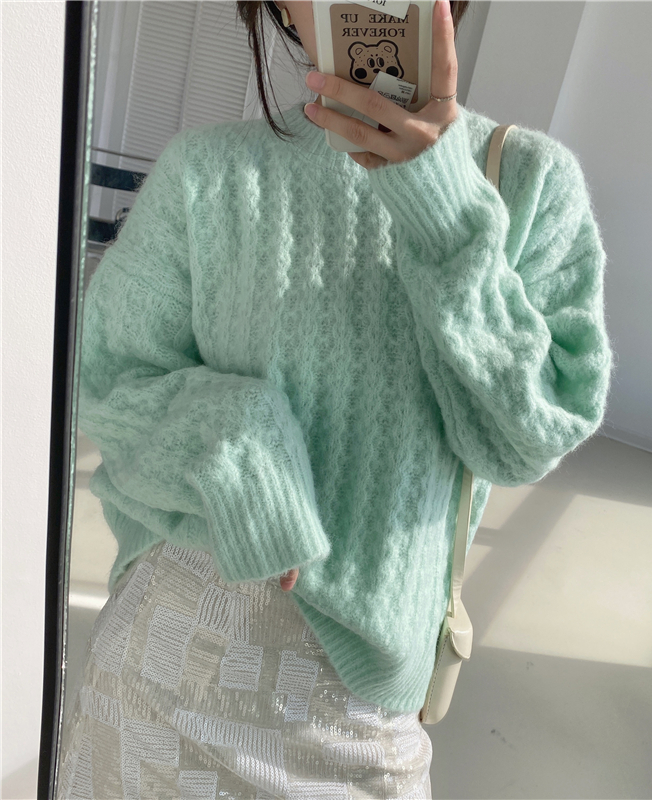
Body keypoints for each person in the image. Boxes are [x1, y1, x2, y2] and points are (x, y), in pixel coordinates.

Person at [56, 1, 615, 797]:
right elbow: (107, 377)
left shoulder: (528, 183)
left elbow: (526, 437)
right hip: (165, 664)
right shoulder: (206, 171)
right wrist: (234, 435)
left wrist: (443, 209)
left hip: (363, 711)